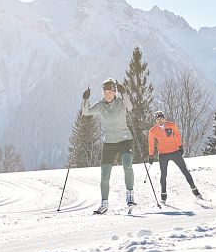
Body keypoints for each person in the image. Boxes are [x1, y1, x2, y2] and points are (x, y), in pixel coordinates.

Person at [82, 78, 135, 214]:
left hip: (125, 139)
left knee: (127, 165)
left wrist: (124, 93)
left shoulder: (121, 102)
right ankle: (104, 204)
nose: (108, 95)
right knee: (104, 175)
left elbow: (130, 107)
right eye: (105, 92)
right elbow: (86, 112)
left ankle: (130, 194)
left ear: (115, 92)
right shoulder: (100, 105)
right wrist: (85, 99)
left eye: (110, 92)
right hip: (109, 142)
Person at [147, 110, 201, 202]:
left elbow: (177, 135)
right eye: (157, 119)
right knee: (163, 174)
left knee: (184, 170)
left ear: (164, 118)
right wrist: (151, 155)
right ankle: (163, 194)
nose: (160, 121)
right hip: (163, 154)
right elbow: (151, 144)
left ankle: (194, 188)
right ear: (155, 121)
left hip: (174, 151)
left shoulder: (171, 125)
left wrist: (180, 146)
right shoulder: (152, 131)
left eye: (161, 118)